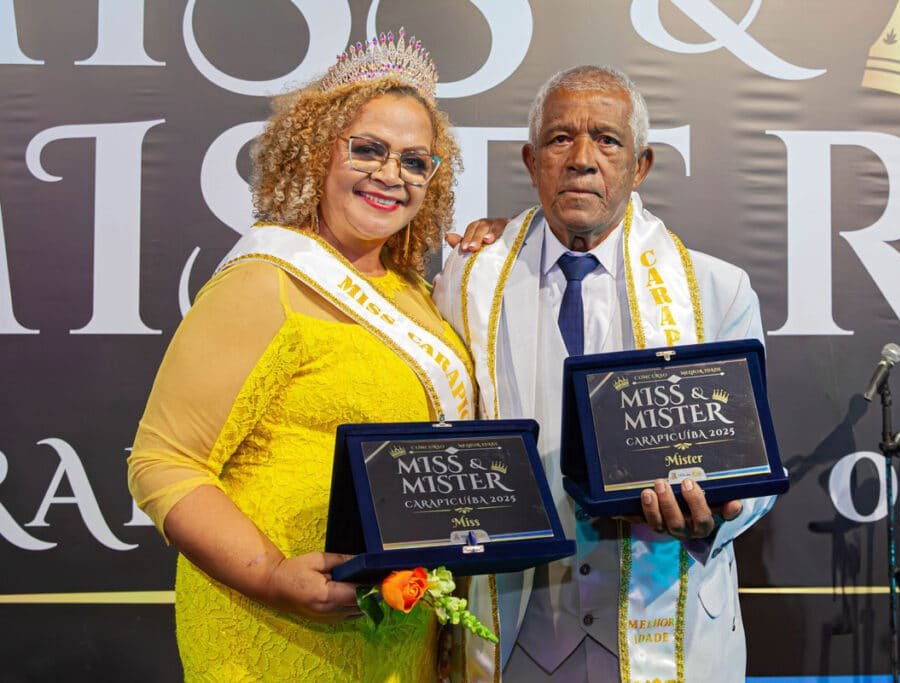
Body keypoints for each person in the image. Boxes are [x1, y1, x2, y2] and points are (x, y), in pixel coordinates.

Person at [127, 30, 474, 682]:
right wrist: (272, 575)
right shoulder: (264, 282)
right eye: (367, 149)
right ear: (316, 152)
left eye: (414, 161)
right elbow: (163, 463)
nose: (390, 175)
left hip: (395, 636)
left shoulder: (416, 295)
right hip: (275, 630)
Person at [434, 65, 774, 682]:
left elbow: (751, 465)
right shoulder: (466, 279)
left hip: (668, 628)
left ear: (640, 167)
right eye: (560, 139)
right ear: (532, 161)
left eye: (607, 140)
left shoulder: (716, 290)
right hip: (515, 633)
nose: (582, 160)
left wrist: (719, 513)